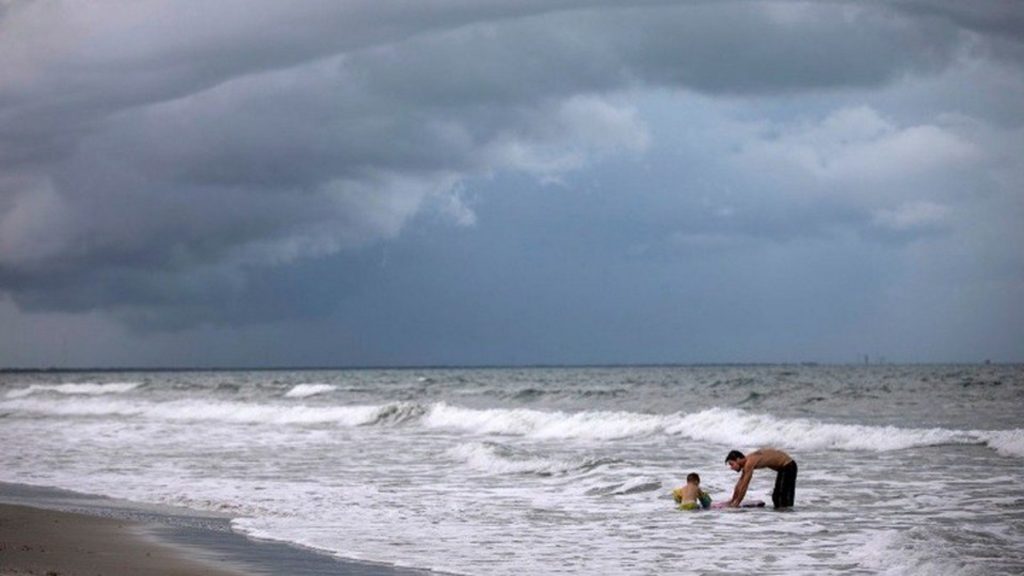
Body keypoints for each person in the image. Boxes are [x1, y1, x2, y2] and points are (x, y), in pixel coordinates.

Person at [724, 448, 797, 509]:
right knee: (777, 498)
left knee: (781, 498)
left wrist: (736, 503)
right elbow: (740, 483)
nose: (731, 468)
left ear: (738, 459)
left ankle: (787, 519)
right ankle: (784, 518)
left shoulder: (749, 463)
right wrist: (733, 500)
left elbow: (744, 486)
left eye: (732, 464)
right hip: (784, 468)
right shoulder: (747, 462)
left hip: (788, 466)